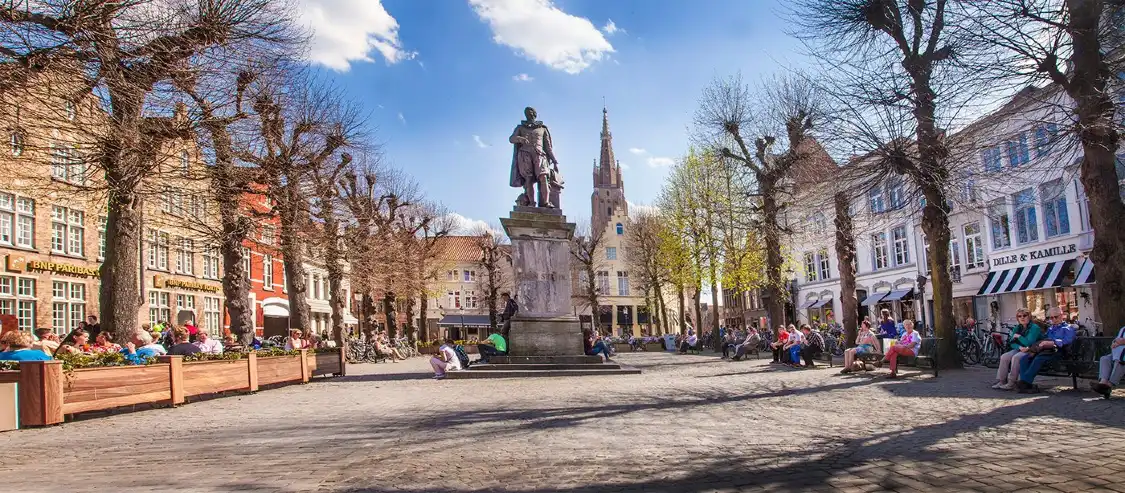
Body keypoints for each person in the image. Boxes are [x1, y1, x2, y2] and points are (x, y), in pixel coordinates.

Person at [1014, 307, 1076, 393]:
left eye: (1056, 317)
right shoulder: (1050, 328)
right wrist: (1041, 344)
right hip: (1045, 351)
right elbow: (1044, 338)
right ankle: (1026, 385)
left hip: (1060, 351)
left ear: (1062, 316)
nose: (1054, 319)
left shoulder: (1068, 328)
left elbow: (1068, 341)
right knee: (1024, 359)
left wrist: (1053, 342)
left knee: (1038, 359)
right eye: (1051, 318)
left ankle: (1024, 383)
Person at [993, 308, 1043, 390]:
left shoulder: (1034, 328)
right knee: (1004, 357)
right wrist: (1019, 347)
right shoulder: (1017, 328)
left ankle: (1012, 382)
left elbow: (1029, 343)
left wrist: (1019, 337)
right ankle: (1002, 381)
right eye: (1019, 316)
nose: (1022, 318)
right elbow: (1012, 343)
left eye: (1024, 315)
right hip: (1020, 348)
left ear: (1029, 316)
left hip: (1032, 349)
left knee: (1016, 357)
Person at [1090, 325, 1125, 398]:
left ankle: (1109, 385)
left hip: (1122, 355)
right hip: (1117, 352)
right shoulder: (1123, 328)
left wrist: (1122, 342)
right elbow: (1116, 339)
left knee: (1120, 360)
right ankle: (1103, 382)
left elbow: (1121, 341)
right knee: (1105, 359)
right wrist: (1114, 343)